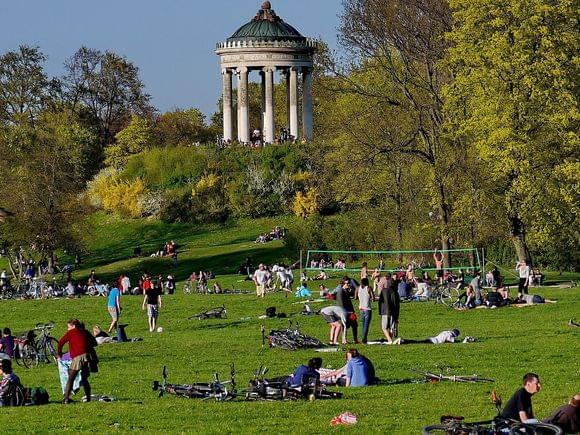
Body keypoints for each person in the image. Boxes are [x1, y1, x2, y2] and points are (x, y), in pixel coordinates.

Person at [57, 319, 98, 403]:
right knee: (84, 378)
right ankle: (88, 398)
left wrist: (60, 355)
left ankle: (66, 399)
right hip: (87, 356)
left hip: (78, 357)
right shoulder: (85, 331)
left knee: (71, 378)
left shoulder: (71, 332)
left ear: (73, 326)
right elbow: (95, 343)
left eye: (69, 327)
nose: (68, 329)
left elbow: (60, 343)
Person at [378, 278, 400, 344]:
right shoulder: (395, 292)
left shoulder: (383, 291)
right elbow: (397, 305)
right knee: (391, 327)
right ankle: (391, 340)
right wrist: (397, 316)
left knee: (384, 327)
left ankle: (389, 340)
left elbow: (380, 302)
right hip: (393, 312)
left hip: (384, 311)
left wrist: (380, 311)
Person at [356, 278, 374, 344]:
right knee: (366, 325)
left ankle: (364, 337)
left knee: (363, 324)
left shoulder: (358, 288)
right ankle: (364, 338)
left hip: (361, 308)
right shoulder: (369, 288)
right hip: (367, 308)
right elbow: (373, 298)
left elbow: (355, 297)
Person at [397, 328, 461, 345]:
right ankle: (404, 341)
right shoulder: (449, 335)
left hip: (432, 338)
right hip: (434, 342)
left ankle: (404, 341)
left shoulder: (446, 331)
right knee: (417, 342)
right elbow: (453, 342)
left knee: (418, 341)